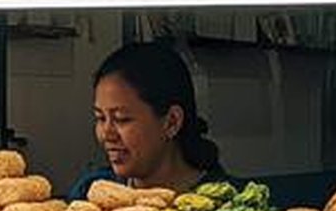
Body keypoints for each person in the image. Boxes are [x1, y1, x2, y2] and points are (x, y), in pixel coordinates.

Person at [70, 42, 226, 198]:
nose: (106, 134)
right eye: (101, 118)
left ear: (172, 122)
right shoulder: (89, 191)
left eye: (121, 119)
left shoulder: (229, 204)